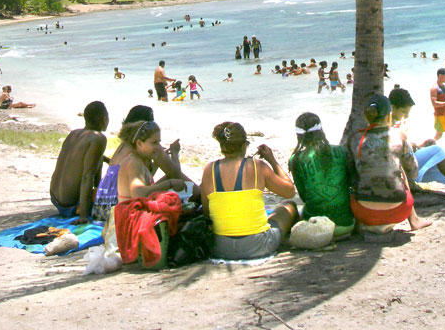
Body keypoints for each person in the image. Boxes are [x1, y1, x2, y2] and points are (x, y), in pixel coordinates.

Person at [201, 121, 298, 260]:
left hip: (221, 248)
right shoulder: (258, 166)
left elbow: (207, 212)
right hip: (258, 246)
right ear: (244, 145)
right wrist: (272, 160)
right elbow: (289, 191)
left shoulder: (209, 170)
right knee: (289, 207)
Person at [348, 94, 429, 234]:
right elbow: (414, 173)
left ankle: (356, 225)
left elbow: (350, 175)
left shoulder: (354, 138)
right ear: (389, 115)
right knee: (400, 170)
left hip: (363, 212)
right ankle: (414, 220)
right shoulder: (400, 135)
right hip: (398, 210)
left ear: (366, 116)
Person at [93, 105, 189, 223]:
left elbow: (143, 177)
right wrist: (174, 153)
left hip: (102, 205)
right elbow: (175, 175)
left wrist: (157, 166)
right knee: (181, 182)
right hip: (117, 208)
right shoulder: (138, 154)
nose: (157, 144)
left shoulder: (125, 145)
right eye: (155, 142)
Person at [289, 112, 355, 236]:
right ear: (321, 130)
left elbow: (304, 196)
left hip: (317, 228)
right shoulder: (341, 151)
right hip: (346, 224)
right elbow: (350, 182)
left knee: (293, 208)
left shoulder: (296, 160)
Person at [49, 101, 109, 220]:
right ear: (104, 118)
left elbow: (77, 158)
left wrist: (107, 159)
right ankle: (84, 207)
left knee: (98, 158)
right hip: (71, 205)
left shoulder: (74, 133)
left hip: (55, 198)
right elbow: (87, 176)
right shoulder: (98, 138)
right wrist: (83, 216)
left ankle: (93, 196)